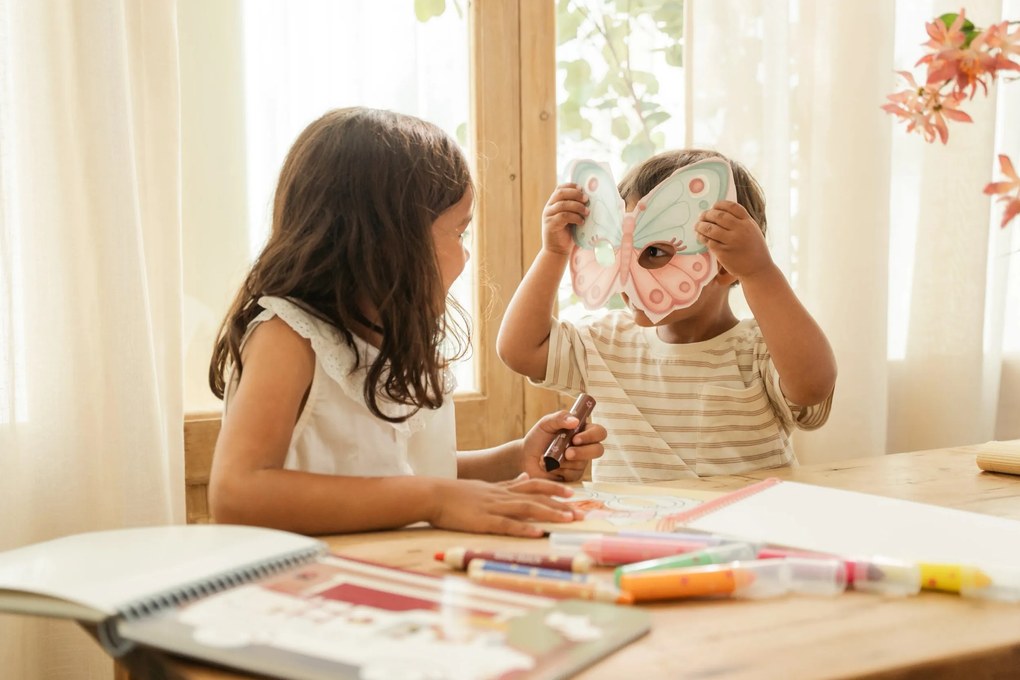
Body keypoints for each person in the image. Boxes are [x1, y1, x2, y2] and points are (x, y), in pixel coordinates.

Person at [207, 107, 606, 537]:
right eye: (458, 233)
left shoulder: (390, 344)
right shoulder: (287, 338)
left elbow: (405, 474)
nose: (466, 254)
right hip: (309, 592)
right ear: (388, 241)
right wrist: (434, 500)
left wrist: (512, 460)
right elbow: (236, 495)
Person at [497, 149, 837, 483]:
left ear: (725, 267)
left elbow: (812, 386)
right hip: (634, 531)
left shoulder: (761, 351)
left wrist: (761, 273)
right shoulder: (604, 343)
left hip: (743, 527)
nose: (628, 276)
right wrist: (553, 252)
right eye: (619, 250)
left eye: (654, 252)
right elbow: (519, 349)